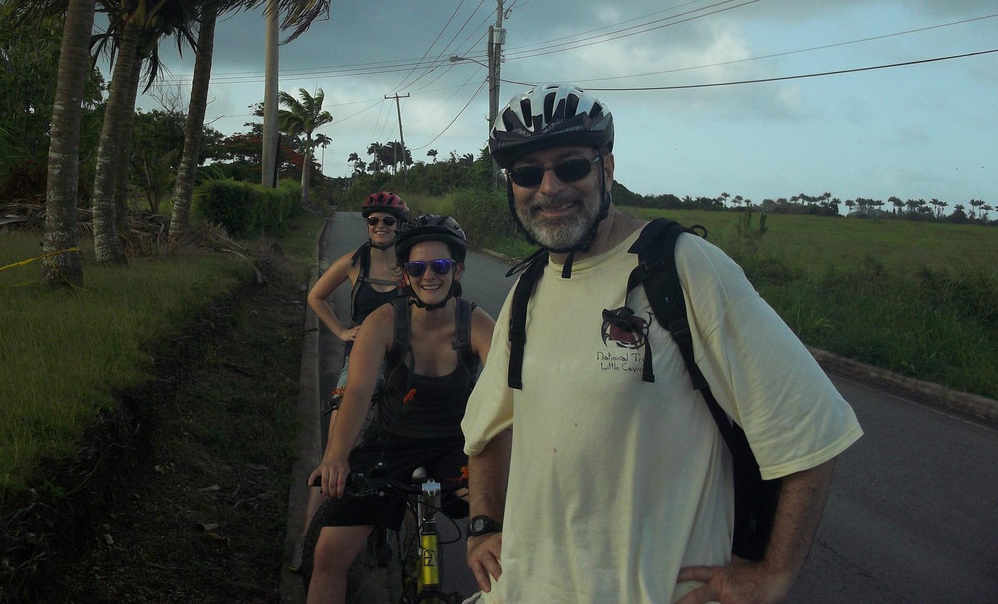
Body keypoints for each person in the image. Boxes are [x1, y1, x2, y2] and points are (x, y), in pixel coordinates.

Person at [462, 84, 863, 604]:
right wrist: (482, 524)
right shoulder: (528, 289)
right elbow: (487, 428)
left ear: (606, 169)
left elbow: (810, 426)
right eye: (526, 173)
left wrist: (774, 574)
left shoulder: (684, 267)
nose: (549, 187)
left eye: (571, 167)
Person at [305, 215, 495, 604]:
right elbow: (357, 391)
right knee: (328, 554)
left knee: (504, 541)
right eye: (417, 267)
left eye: (440, 266)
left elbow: (505, 397)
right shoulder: (384, 321)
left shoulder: (476, 323)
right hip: (389, 445)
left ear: (457, 269)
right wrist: (336, 457)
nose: (430, 276)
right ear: (405, 275)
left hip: (454, 448)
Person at [290, 191, 408, 572]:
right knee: (335, 452)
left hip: (404, 366)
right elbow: (316, 296)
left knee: (407, 448)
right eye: (373, 220)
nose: (379, 226)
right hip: (359, 365)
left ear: (399, 225)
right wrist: (341, 331)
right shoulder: (354, 262)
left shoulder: (412, 265)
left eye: (387, 220)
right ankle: (307, 543)